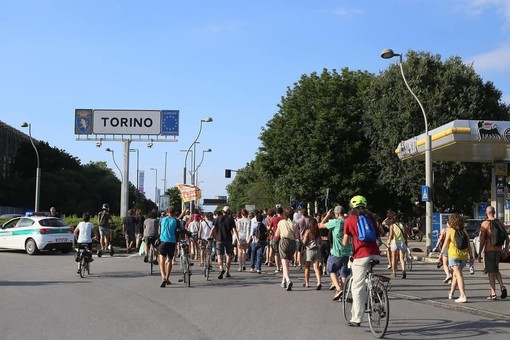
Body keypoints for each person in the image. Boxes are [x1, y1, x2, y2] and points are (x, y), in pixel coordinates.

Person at [342, 195, 380, 327]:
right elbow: (377, 234)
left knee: (357, 286)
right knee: (368, 274)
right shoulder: (371, 218)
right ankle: (375, 289)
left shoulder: (349, 220)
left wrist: (345, 245)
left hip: (361, 254)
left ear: (352, 207)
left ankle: (357, 318)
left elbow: (345, 241)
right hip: (375, 253)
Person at [438, 213, 474, 303]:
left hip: (454, 255)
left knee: (459, 275)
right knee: (455, 275)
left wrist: (441, 254)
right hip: (464, 256)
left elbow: (445, 243)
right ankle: (451, 293)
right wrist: (472, 257)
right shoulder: (464, 230)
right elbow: (469, 245)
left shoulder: (450, 230)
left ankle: (463, 295)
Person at [319, 205, 352, 300]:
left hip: (336, 251)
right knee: (343, 273)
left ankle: (339, 289)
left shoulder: (335, 222)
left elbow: (321, 225)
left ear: (336, 214)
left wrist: (327, 216)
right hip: (347, 251)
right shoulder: (347, 221)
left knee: (331, 269)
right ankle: (344, 292)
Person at [477, 206, 509, 300]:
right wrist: (505, 250)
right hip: (498, 250)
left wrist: (479, 253)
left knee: (491, 272)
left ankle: (493, 293)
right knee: (495, 269)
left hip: (489, 250)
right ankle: (502, 286)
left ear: (487, 213)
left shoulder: (485, 224)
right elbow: (507, 239)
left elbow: (482, 240)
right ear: (494, 212)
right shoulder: (500, 223)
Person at [274, 207, 300, 291]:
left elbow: (277, 234)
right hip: (292, 243)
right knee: (287, 263)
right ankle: (283, 281)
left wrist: (274, 242)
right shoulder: (295, 223)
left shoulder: (281, 222)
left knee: (284, 263)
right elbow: (296, 236)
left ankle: (288, 280)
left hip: (284, 241)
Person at [210, 206, 239, 279]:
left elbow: (212, 229)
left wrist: (210, 236)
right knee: (228, 255)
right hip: (228, 239)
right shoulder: (231, 219)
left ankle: (220, 268)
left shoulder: (217, 219)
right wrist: (238, 240)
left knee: (219, 255)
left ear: (223, 211)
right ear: (229, 211)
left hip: (219, 239)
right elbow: (234, 231)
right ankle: (227, 271)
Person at [158, 205, 182, 287]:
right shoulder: (176, 221)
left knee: (161, 260)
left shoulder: (162, 219)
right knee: (169, 260)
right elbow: (179, 232)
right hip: (172, 242)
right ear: (175, 212)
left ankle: (163, 277)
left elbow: (159, 230)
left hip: (163, 241)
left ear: (167, 212)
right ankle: (167, 278)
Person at [302, 217, 322, 290]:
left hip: (309, 250)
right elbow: (320, 242)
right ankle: (319, 282)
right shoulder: (318, 231)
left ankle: (307, 283)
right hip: (317, 250)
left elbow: (304, 242)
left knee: (307, 267)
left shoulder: (308, 231)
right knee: (316, 268)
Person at [387, 212, 408, 278]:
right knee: (402, 258)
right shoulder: (403, 225)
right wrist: (406, 242)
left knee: (393, 257)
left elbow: (391, 235)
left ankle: (394, 272)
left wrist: (389, 242)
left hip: (395, 242)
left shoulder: (392, 226)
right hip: (402, 242)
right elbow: (405, 234)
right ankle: (404, 271)